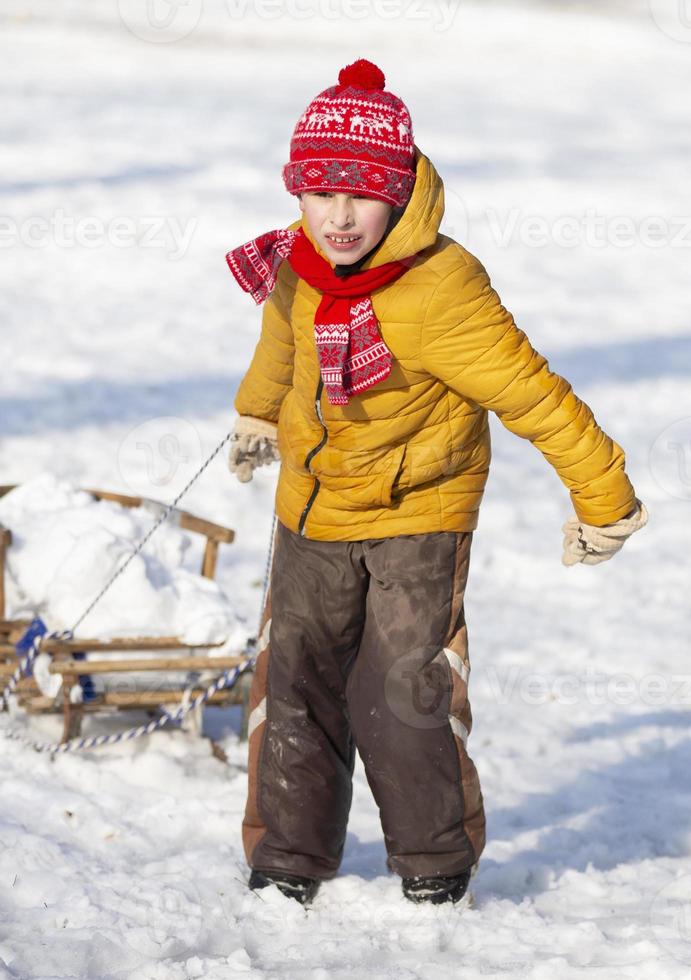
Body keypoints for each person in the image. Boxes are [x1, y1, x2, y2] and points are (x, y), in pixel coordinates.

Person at [224, 58, 649, 908]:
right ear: (298, 193)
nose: (340, 216)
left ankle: (433, 866)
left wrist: (605, 498)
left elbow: (534, 394)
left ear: (400, 193)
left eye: (362, 195)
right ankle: (287, 861)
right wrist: (259, 412)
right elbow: (286, 336)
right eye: (320, 193)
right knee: (293, 680)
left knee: (404, 685)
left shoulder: (442, 291)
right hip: (312, 507)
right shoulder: (302, 263)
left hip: (418, 511)